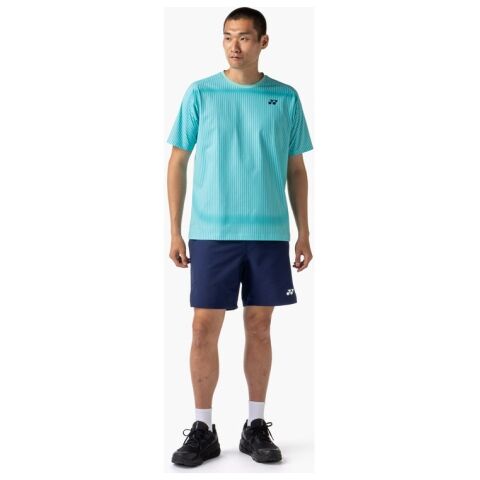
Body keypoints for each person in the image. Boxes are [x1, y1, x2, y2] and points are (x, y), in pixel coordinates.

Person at [166, 7, 313, 467]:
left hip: (268, 233)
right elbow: (177, 161)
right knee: (202, 328)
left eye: (245, 37)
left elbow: (295, 169)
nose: (235, 45)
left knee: (260, 327)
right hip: (212, 232)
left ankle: (255, 425)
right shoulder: (201, 93)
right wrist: (174, 230)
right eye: (228, 36)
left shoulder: (285, 97)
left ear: (263, 42)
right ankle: (203, 428)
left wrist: (304, 230)